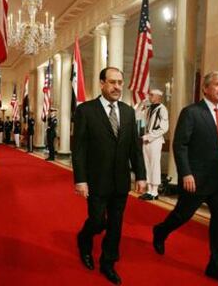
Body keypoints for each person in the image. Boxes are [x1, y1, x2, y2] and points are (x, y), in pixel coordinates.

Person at [152, 71, 218, 286]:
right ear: (205, 88)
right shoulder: (191, 112)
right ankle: (161, 230)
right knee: (182, 215)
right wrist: (186, 173)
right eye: (217, 84)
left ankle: (216, 268)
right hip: (196, 179)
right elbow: (180, 145)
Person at [73, 67, 146, 285]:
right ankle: (84, 239)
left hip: (121, 181)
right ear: (101, 83)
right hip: (96, 180)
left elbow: (135, 147)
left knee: (115, 224)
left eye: (120, 83)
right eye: (112, 82)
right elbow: (79, 149)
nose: (117, 87)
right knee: (97, 221)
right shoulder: (86, 110)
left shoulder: (128, 111)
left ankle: (108, 263)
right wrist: (80, 179)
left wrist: (140, 176)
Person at [139, 89, 169, 201]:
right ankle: (149, 190)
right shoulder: (148, 108)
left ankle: (155, 191)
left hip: (155, 140)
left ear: (158, 97)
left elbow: (164, 128)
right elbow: (137, 116)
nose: (149, 96)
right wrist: (142, 104)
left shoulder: (162, 109)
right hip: (146, 139)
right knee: (147, 164)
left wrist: (150, 136)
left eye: (151, 95)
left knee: (154, 165)